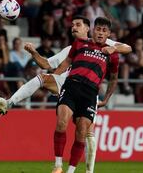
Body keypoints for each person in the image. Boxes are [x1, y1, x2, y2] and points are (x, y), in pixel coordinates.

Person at [0, 16, 131, 173]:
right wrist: (34, 52)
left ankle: (88, 171)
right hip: (69, 83)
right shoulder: (72, 48)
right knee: (44, 80)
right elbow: (46, 64)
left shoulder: (107, 44)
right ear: (93, 30)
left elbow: (127, 48)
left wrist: (114, 49)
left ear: (87, 28)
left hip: (90, 88)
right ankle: (8, 103)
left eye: (78, 25)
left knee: (86, 132)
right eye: (72, 25)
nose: (74, 28)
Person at [51, 17, 119, 173]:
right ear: (93, 30)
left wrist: (107, 98)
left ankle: (70, 171)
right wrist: (53, 78)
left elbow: (114, 78)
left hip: (90, 92)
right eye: (98, 29)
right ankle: (58, 165)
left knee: (82, 132)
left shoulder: (113, 54)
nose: (100, 33)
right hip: (71, 85)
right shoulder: (80, 43)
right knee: (61, 122)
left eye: (104, 30)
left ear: (108, 34)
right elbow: (66, 63)